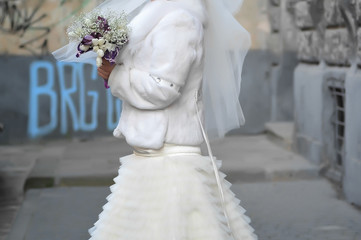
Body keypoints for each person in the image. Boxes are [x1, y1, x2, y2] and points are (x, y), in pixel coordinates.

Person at [54, 0, 257, 239]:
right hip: (149, 157)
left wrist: (117, 75)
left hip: (169, 161)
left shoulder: (179, 20)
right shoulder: (157, 15)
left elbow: (163, 88)